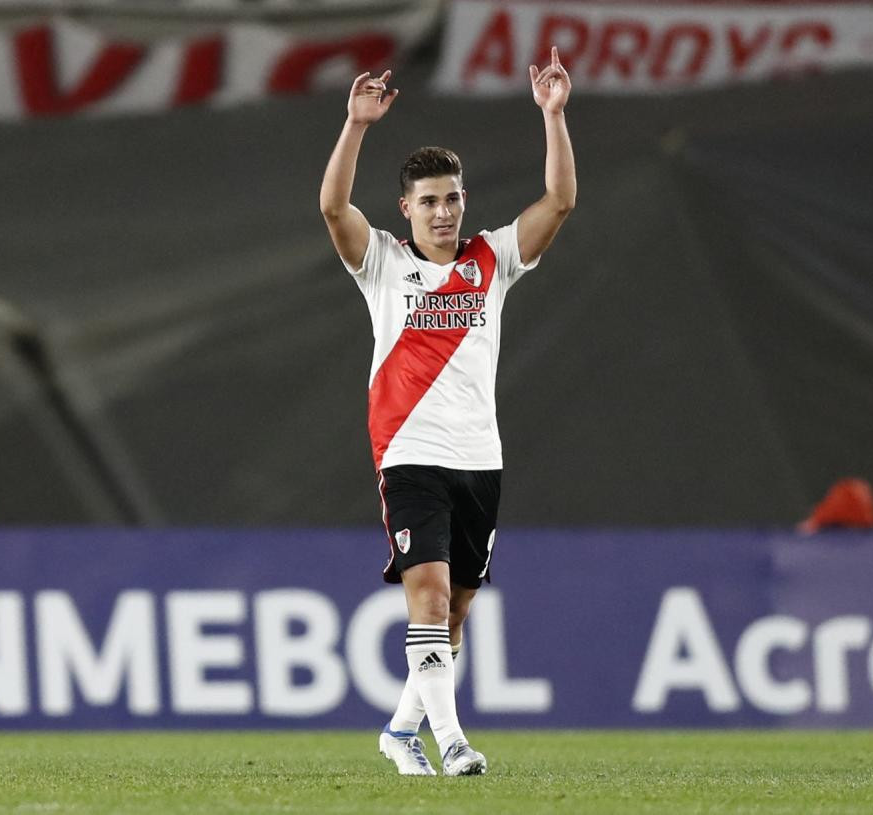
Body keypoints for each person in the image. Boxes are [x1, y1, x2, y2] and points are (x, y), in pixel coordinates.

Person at [319, 48, 575, 776]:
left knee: (456, 612)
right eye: (428, 200)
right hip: (408, 453)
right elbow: (334, 208)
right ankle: (453, 739)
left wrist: (553, 117)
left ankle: (401, 730)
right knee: (426, 595)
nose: (442, 210)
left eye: (452, 198)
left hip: (480, 458)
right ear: (406, 208)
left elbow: (558, 203)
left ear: (465, 201)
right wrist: (354, 125)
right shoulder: (384, 265)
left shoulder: (492, 260)